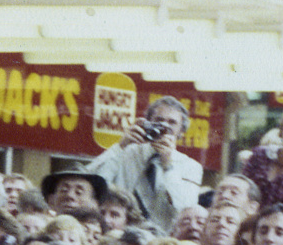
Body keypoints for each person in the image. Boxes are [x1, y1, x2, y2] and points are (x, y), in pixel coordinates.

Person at [83, 95, 204, 233]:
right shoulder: (127, 152)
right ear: (147, 122)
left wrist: (168, 166)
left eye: (172, 123)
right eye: (159, 120)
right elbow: (89, 184)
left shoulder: (191, 166)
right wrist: (120, 146)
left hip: (162, 237)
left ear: (181, 132)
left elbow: (184, 208)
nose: (164, 126)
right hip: (120, 235)